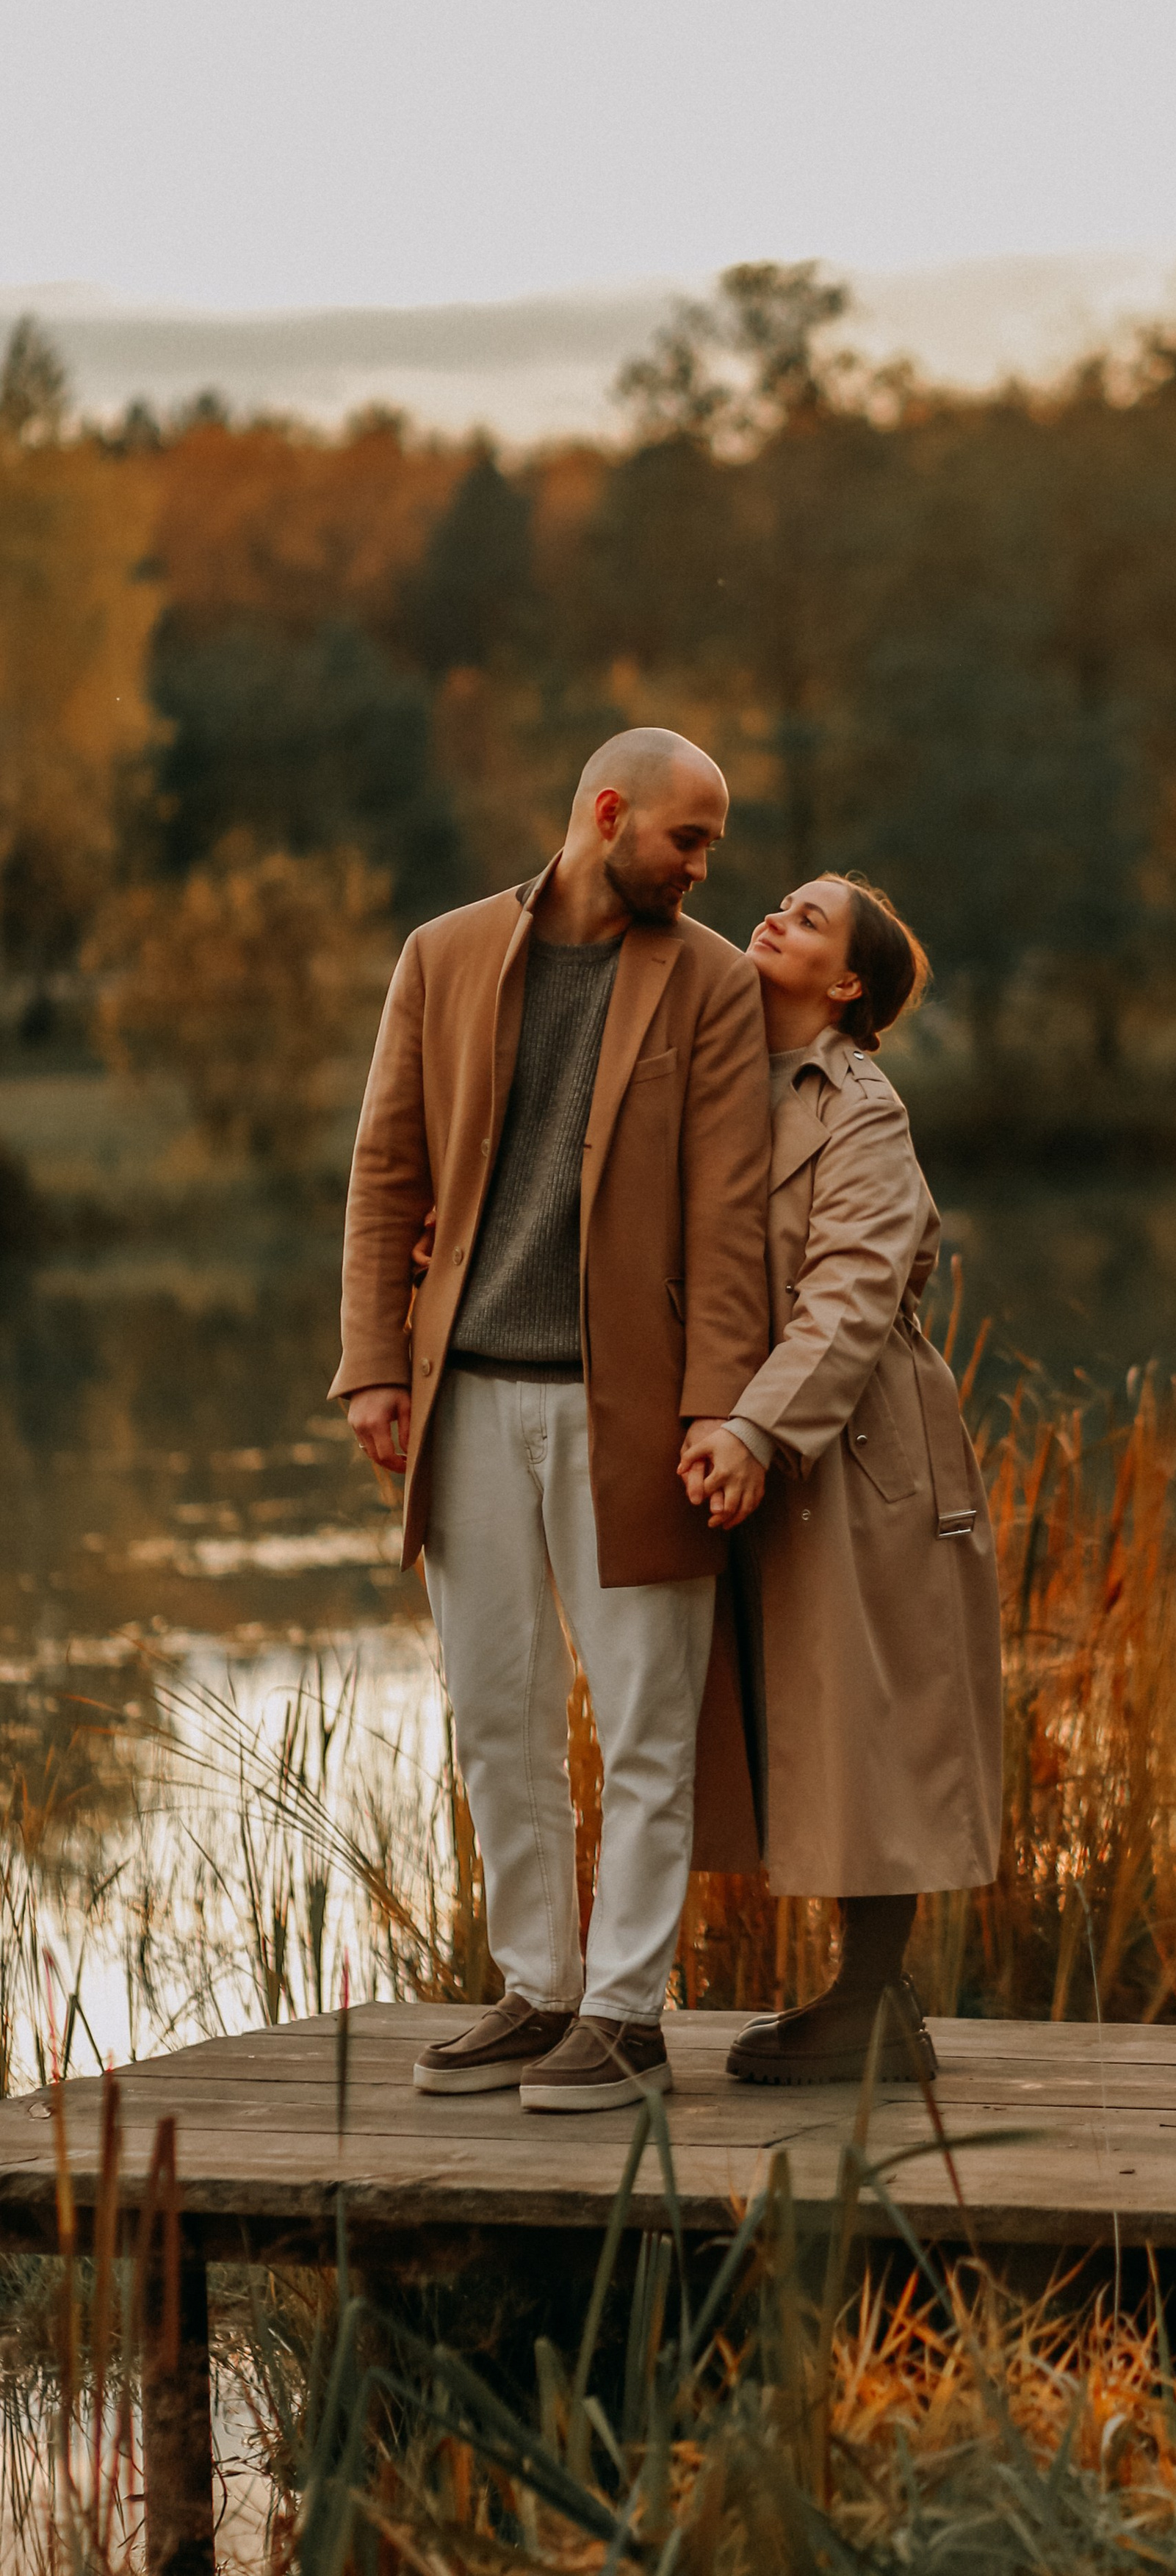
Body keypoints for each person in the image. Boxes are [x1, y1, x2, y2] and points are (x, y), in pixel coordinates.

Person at [331, 729, 771, 2113]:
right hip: (466, 1395)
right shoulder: (443, 954)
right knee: (496, 1718)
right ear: (608, 812)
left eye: (711, 846)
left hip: (632, 1409)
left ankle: (628, 2017)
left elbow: (731, 1215)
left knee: (645, 1721)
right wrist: (375, 1364)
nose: (702, 868)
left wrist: (718, 1408)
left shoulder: (712, 982)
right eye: (687, 839)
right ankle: (539, 1993)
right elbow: (387, 1168)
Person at [679, 875, 1003, 2083]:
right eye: (779, 905)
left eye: (808, 921)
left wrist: (758, 1431)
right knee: (803, 1712)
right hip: (763, 1430)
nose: (774, 918)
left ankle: (868, 2003)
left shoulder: (861, 1108)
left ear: (849, 982)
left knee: (871, 1713)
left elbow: (854, 1292)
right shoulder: (720, 1076)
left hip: (861, 1448)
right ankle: (877, 2006)